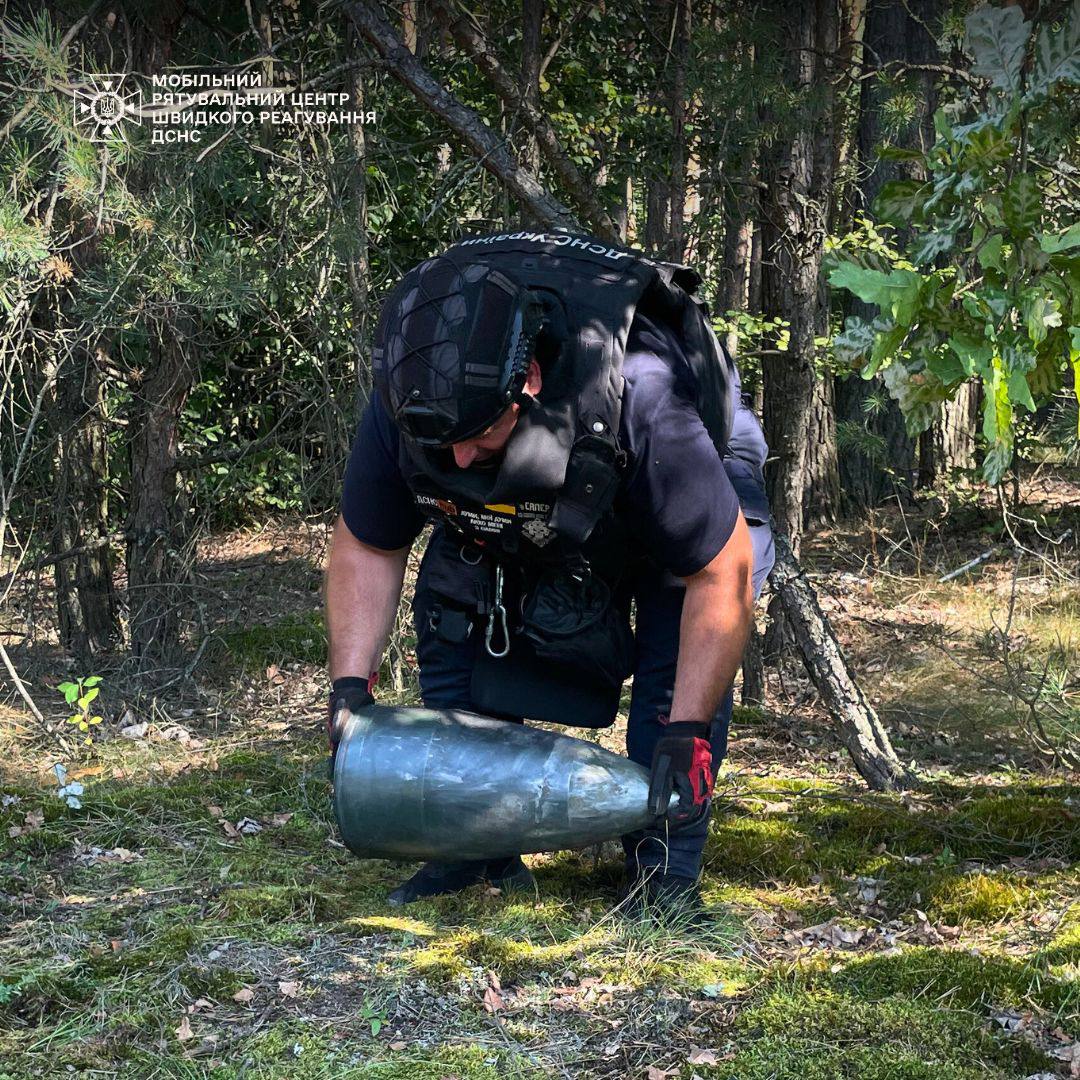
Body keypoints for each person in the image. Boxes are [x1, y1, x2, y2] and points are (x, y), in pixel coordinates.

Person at [324, 230, 774, 918]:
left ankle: (663, 871)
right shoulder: (413, 400)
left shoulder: (645, 397)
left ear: (528, 379)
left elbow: (721, 574)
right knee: (455, 598)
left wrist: (685, 731)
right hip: (545, 491)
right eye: (445, 445)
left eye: (477, 436)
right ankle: (471, 854)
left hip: (672, 477)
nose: (460, 458)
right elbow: (368, 544)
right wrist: (350, 689)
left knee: (673, 656)